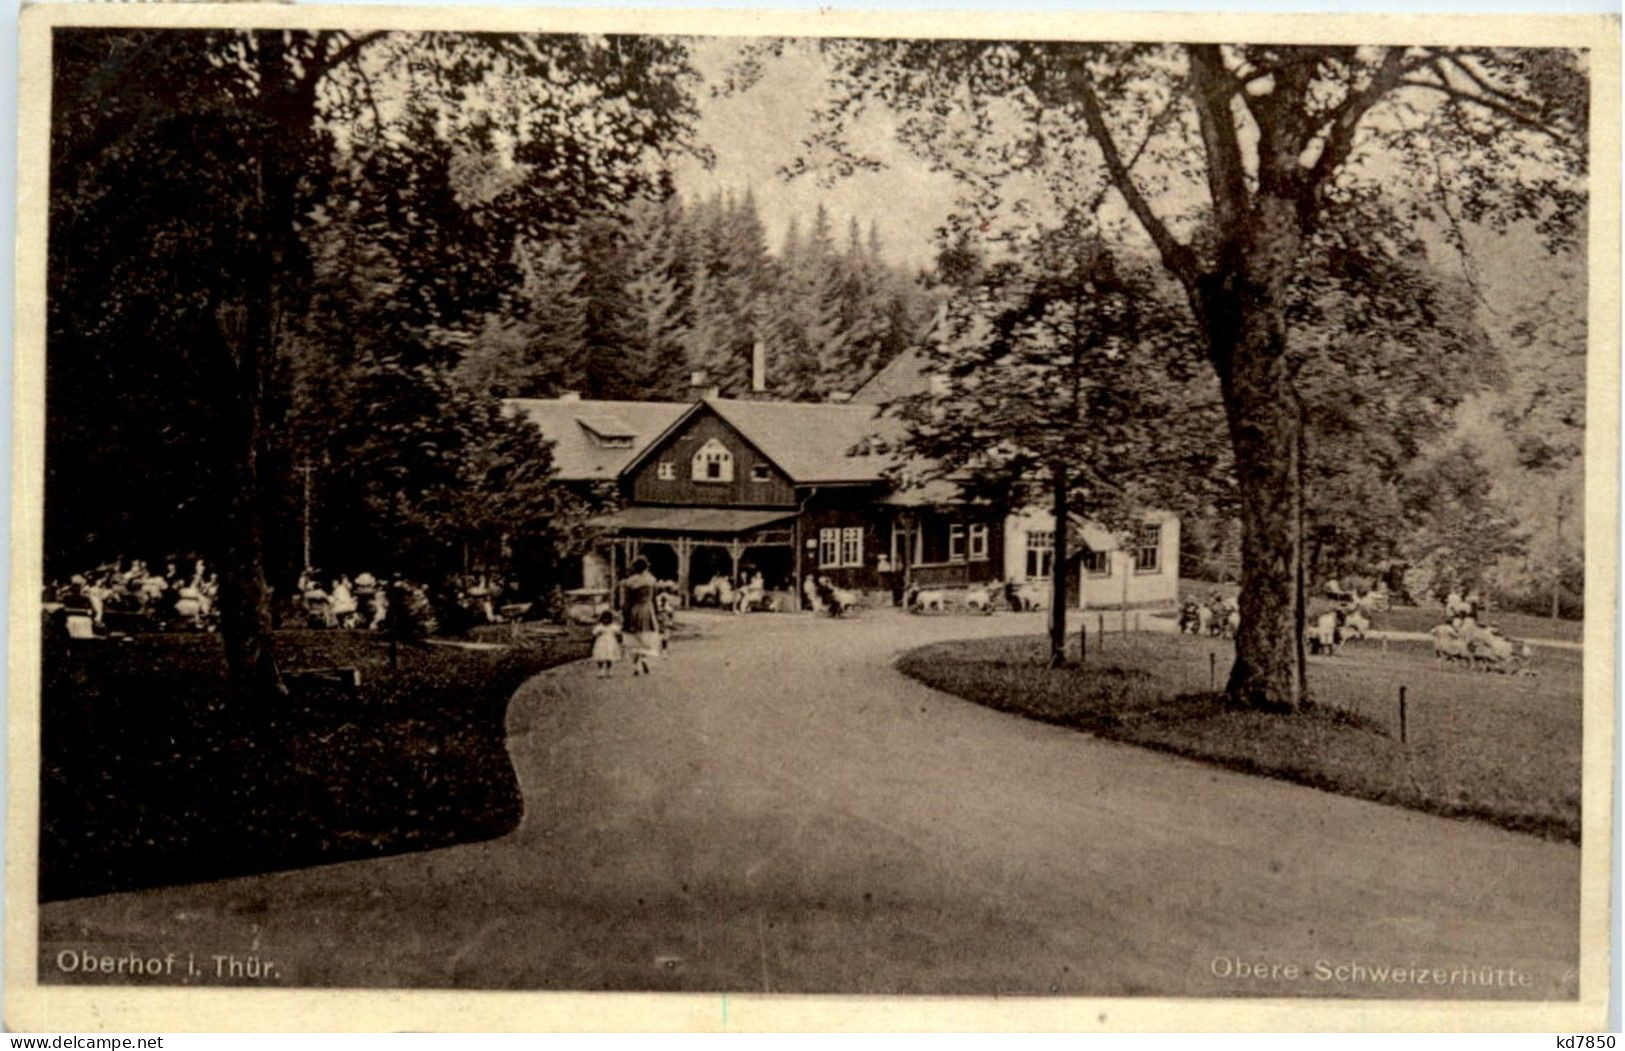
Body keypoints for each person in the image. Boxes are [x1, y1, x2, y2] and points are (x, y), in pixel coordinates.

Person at [619, 557, 661, 676]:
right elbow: (654, 599)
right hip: (648, 610)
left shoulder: (630, 582)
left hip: (635, 610)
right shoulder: (651, 580)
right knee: (646, 636)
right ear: (646, 567)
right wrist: (656, 613)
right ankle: (643, 659)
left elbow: (627, 602)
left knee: (635, 638)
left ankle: (636, 665)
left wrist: (625, 614)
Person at [591, 609, 623, 678]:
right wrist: (593, 642)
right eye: (604, 619)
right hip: (601, 644)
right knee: (600, 657)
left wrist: (619, 640)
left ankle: (609, 670)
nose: (606, 620)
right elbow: (594, 635)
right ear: (601, 619)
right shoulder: (599, 627)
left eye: (608, 619)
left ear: (611, 619)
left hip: (610, 644)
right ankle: (601, 670)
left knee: (609, 657)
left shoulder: (613, 626)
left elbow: (619, 633)